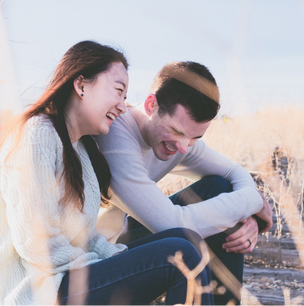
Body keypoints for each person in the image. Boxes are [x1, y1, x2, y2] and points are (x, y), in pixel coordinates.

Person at [0, 41, 214, 306]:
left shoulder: (79, 149)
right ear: (80, 85)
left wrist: (112, 257)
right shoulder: (37, 135)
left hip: (70, 277)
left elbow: (84, 237)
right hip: (41, 291)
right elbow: (36, 243)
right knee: (181, 255)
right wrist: (101, 264)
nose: (123, 106)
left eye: (125, 97)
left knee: (185, 238)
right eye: (117, 91)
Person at [95, 61, 273, 305]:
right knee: (189, 239)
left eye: (195, 137)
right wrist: (251, 202)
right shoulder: (115, 135)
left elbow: (234, 171)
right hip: (97, 259)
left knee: (220, 187)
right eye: (176, 131)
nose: (182, 147)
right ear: (151, 105)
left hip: (123, 236)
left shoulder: (182, 140)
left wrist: (247, 216)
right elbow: (172, 223)